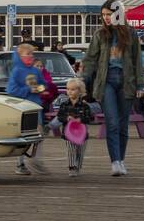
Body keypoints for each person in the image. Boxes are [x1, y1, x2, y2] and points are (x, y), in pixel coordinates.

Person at [82, 0, 144, 176]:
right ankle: (115, 162)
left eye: (109, 14)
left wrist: (140, 85)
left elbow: (137, 60)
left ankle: (121, 160)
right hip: (106, 82)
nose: (106, 18)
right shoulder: (100, 34)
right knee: (112, 122)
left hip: (127, 82)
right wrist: (82, 80)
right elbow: (90, 59)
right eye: (103, 15)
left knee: (123, 124)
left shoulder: (131, 33)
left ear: (119, 13)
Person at [6, 42, 49, 175]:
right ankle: (21, 163)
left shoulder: (35, 70)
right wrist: (28, 89)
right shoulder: (17, 71)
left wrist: (40, 89)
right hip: (22, 108)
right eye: (27, 54)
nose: (30, 56)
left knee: (39, 135)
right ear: (20, 56)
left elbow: (44, 84)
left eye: (32, 54)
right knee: (24, 136)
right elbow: (11, 90)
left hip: (36, 107)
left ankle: (36, 160)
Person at [54, 77, 95, 178]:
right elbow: (59, 116)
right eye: (68, 89)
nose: (70, 92)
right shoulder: (64, 104)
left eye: (73, 89)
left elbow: (90, 118)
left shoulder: (85, 106)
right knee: (71, 150)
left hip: (82, 134)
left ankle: (78, 167)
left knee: (80, 151)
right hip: (68, 133)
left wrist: (80, 120)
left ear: (80, 91)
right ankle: (72, 167)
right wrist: (66, 118)